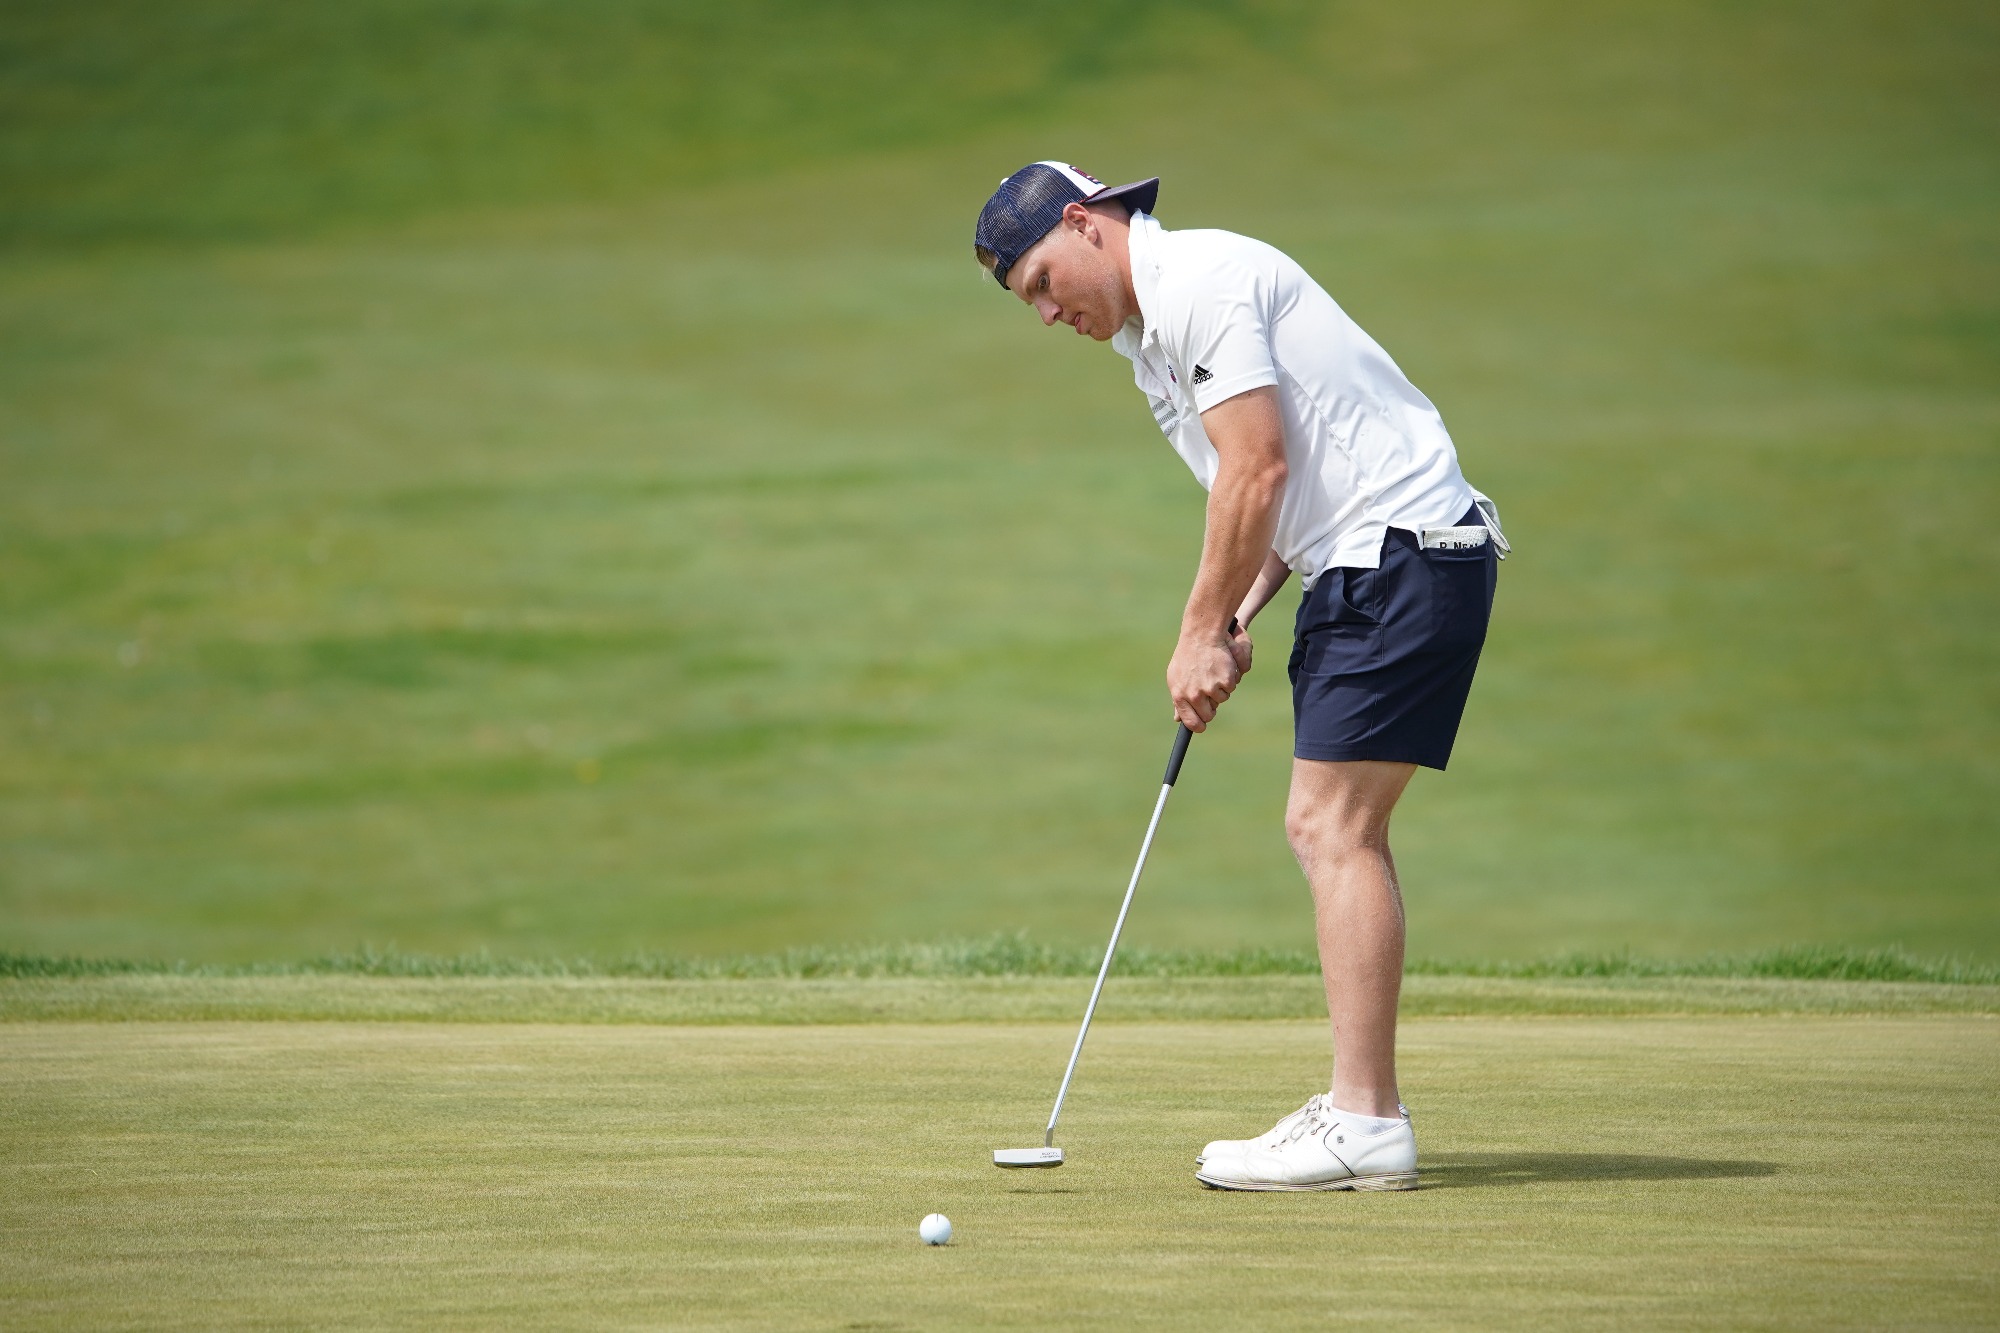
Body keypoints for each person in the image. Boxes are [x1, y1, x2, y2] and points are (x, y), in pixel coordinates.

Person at [973, 162, 1507, 1191]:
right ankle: (1360, 1112)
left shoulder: (1204, 282)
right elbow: (1265, 495)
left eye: (1041, 282)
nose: (1043, 313)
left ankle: (1363, 1120)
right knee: (1326, 826)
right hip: (1365, 563)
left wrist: (1194, 631)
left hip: (1397, 554)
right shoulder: (1153, 345)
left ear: (1083, 226)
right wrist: (1227, 617)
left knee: (1330, 827)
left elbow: (1256, 468)